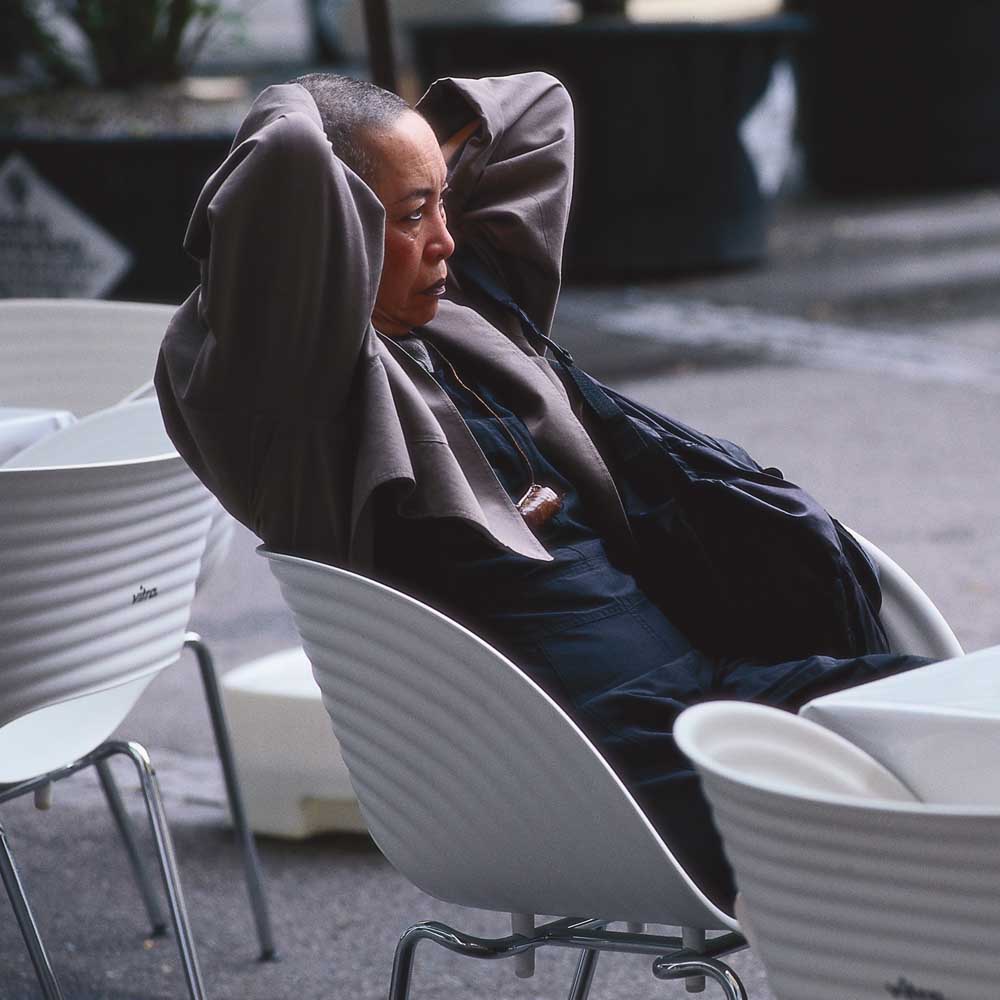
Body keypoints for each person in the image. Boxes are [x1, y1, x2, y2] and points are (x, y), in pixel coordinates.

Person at [155, 71, 931, 912]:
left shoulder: (467, 319)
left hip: (716, 688)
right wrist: (356, 158)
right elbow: (287, 151)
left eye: (443, 205)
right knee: (943, 838)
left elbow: (536, 106)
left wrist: (409, 163)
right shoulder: (297, 393)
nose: (445, 241)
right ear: (330, 225)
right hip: (596, 771)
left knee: (957, 732)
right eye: (411, 217)